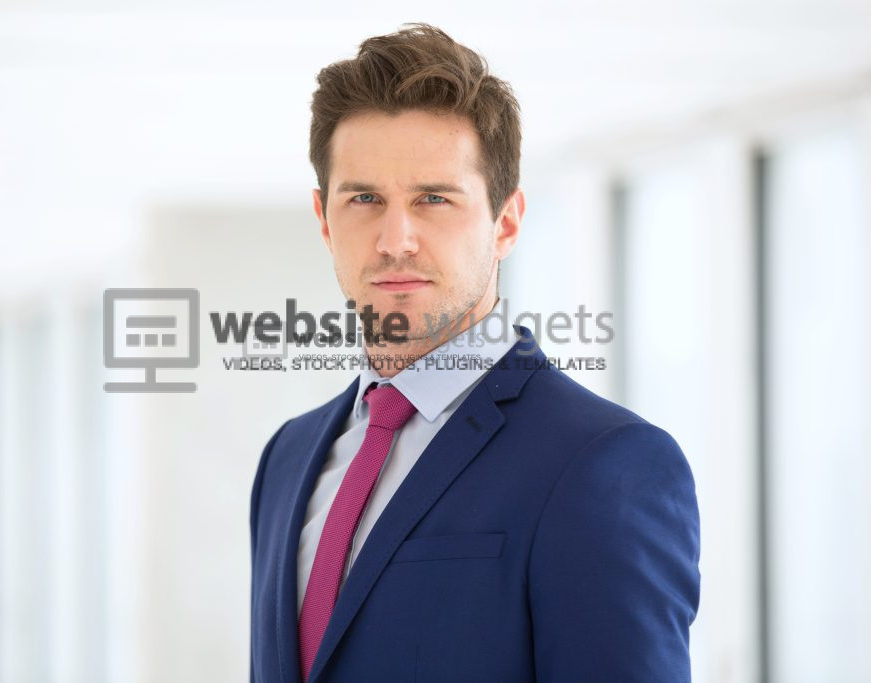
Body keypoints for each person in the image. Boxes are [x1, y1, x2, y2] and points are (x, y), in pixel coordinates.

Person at [250, 23, 700, 683]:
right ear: (324, 218)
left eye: (434, 198)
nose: (394, 238)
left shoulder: (606, 466)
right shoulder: (287, 458)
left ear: (507, 221)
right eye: (365, 199)